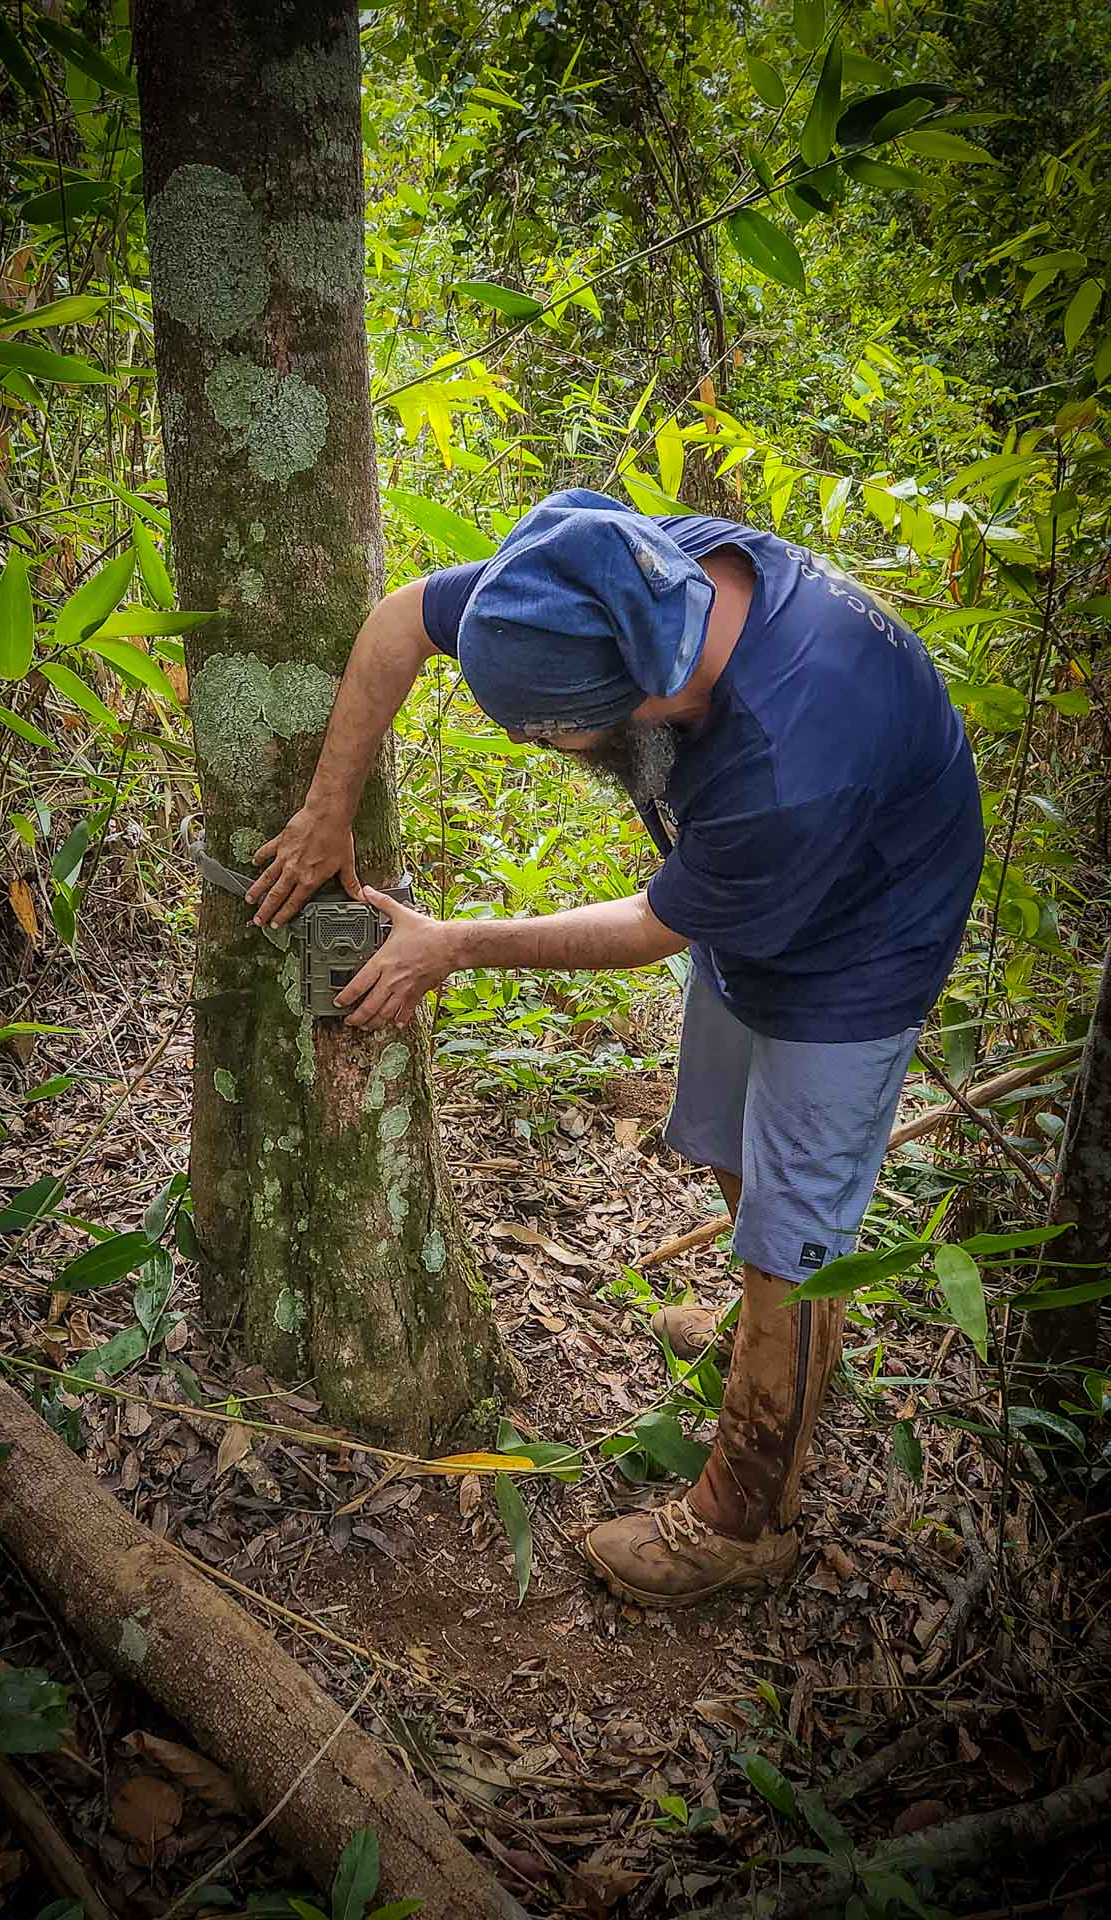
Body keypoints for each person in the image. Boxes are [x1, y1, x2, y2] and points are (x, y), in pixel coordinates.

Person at [246, 488, 984, 1608]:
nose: (536, 748)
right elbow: (401, 619)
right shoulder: (612, 574)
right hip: (761, 899)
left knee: (795, 1228)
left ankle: (744, 1519)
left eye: (549, 735)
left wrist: (454, 945)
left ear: (638, 706)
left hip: (864, 935)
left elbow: (649, 928)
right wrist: (326, 808)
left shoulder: (786, 769)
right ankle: (774, 1337)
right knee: (734, 1143)